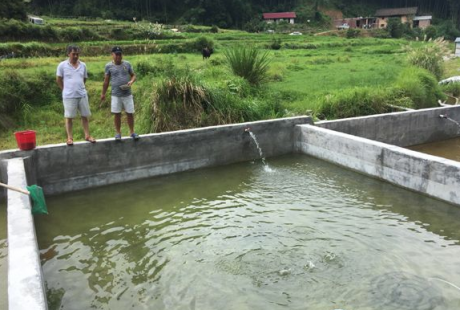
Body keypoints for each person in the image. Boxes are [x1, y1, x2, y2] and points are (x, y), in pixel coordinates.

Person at [56, 45, 96, 146]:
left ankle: (87, 135)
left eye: (77, 54)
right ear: (68, 54)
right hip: (69, 96)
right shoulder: (62, 65)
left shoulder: (83, 65)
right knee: (69, 117)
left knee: (85, 116)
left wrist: (80, 87)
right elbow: (58, 79)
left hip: (82, 94)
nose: (75, 56)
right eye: (73, 54)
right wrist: (64, 89)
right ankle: (70, 137)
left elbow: (84, 79)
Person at [101, 46, 139, 141]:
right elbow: (106, 81)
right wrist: (103, 93)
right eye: (116, 54)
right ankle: (118, 133)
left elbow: (133, 75)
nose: (118, 56)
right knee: (117, 114)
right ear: (112, 55)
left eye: (120, 54)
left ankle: (132, 132)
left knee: (130, 113)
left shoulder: (127, 64)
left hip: (127, 94)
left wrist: (131, 81)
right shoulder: (108, 66)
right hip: (115, 94)